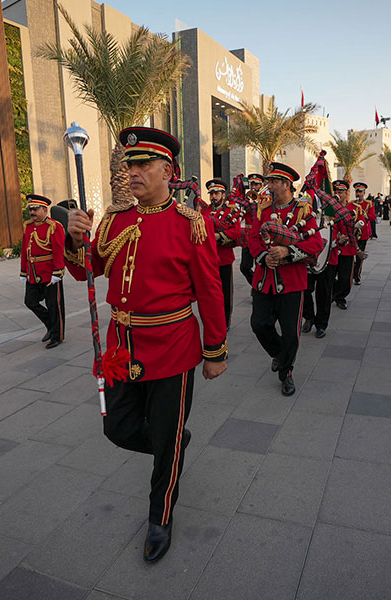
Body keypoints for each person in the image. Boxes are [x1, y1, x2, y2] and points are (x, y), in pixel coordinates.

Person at [64, 126, 227, 563]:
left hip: (172, 347)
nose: (131, 172)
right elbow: (87, 270)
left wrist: (215, 350)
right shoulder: (116, 219)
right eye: (128, 165)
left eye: (141, 165)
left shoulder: (191, 224)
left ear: (167, 171)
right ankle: (173, 443)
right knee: (116, 427)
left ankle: (160, 516)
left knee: (165, 444)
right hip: (120, 345)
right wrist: (75, 239)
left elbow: (211, 291)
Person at [249, 162, 323, 396]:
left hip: (291, 282)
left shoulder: (303, 210)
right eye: (268, 181)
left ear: (286, 184)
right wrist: (263, 257)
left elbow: (316, 243)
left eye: (273, 182)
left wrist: (287, 253)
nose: (268, 186)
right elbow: (252, 238)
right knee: (258, 324)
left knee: (291, 333)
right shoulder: (263, 209)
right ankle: (279, 355)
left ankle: (286, 372)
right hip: (264, 280)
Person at [20, 194, 66, 349]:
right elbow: (24, 250)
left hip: (49, 272)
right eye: (30, 209)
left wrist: (58, 271)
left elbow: (59, 250)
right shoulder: (28, 226)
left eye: (35, 209)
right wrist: (23, 271)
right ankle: (50, 325)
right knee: (30, 301)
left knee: (54, 306)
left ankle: (57, 336)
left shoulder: (54, 226)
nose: (32, 212)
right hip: (32, 272)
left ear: (44, 210)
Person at [202, 179, 241, 327]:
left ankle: (225, 322)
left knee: (225, 293)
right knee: (209, 293)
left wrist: (219, 236)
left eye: (216, 193)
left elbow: (236, 231)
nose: (213, 196)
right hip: (207, 259)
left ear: (223, 194)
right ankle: (212, 318)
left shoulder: (232, 210)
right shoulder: (204, 211)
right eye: (211, 193)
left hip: (223, 259)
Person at [331, 180, 356, 310]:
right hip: (333, 248)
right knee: (329, 276)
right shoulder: (330, 208)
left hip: (347, 249)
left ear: (346, 193)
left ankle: (340, 297)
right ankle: (332, 294)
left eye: (340, 192)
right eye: (336, 192)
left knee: (345, 278)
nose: (337, 195)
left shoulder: (353, 209)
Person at [239, 174, 264, 285]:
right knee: (244, 267)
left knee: (260, 266)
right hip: (248, 235)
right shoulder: (246, 199)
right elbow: (242, 215)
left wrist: (257, 202)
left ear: (261, 185)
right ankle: (255, 284)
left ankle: (257, 290)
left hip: (260, 236)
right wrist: (246, 203)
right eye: (252, 184)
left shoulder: (266, 199)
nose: (253, 186)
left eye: (256, 184)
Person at [352, 182, 376, 284]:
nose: (358, 194)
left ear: (364, 193)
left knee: (359, 256)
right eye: (357, 192)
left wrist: (364, 214)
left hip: (363, 234)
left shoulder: (368, 204)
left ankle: (357, 275)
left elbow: (373, 217)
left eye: (360, 192)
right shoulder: (351, 203)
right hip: (352, 233)